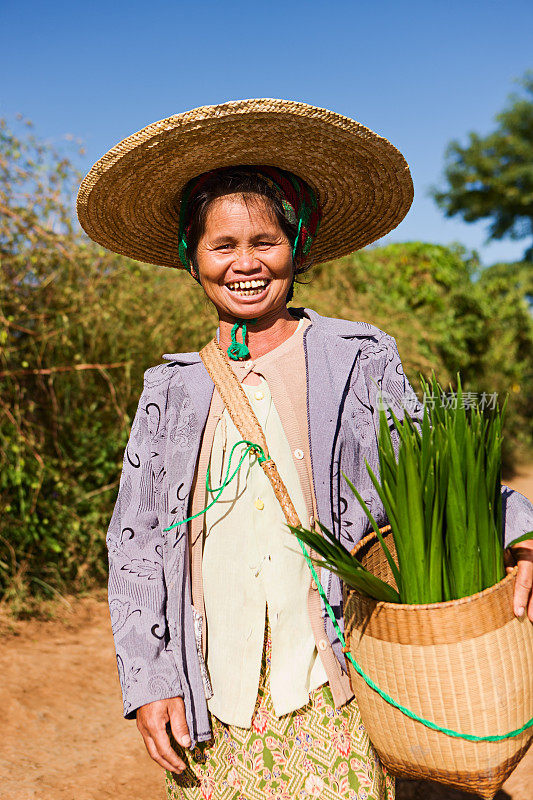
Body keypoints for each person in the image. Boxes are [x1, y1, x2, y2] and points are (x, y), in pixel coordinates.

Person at [77, 99, 533, 800]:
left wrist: (519, 532)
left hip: (332, 676)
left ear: (298, 247)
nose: (244, 264)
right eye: (220, 246)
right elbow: (136, 542)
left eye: (265, 241)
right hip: (215, 689)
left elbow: (429, 472)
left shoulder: (355, 357)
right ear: (190, 257)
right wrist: (150, 681)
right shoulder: (169, 388)